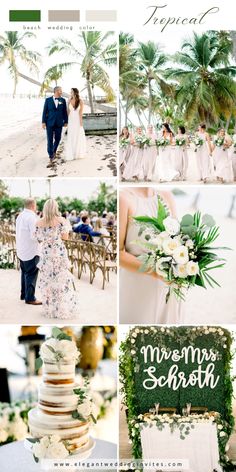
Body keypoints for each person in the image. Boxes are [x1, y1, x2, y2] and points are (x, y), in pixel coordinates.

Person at [119, 187, 184, 324]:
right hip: (138, 287)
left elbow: (179, 239)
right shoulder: (124, 198)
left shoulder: (167, 196)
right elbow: (118, 254)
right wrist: (156, 271)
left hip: (170, 287)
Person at [34, 199, 78, 319]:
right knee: (60, 280)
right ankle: (60, 307)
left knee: (47, 280)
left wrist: (48, 238)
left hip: (47, 253)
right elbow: (65, 237)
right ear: (56, 208)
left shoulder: (39, 222)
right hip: (58, 252)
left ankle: (50, 308)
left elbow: (38, 238)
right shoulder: (61, 221)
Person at [16, 198, 42, 305]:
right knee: (31, 273)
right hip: (31, 250)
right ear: (33, 205)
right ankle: (30, 298)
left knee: (24, 273)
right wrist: (42, 238)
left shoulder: (20, 216)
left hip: (21, 249)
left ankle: (24, 294)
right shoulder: (32, 217)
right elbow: (34, 236)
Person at [42, 86, 68, 168]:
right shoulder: (48, 100)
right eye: (60, 90)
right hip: (49, 123)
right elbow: (44, 111)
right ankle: (51, 155)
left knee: (58, 138)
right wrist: (43, 122)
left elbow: (65, 112)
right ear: (56, 91)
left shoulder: (63, 100)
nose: (61, 92)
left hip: (59, 123)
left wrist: (66, 121)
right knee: (49, 139)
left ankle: (54, 150)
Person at [66, 88, 86, 160]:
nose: (70, 93)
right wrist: (66, 122)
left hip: (77, 120)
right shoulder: (69, 100)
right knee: (71, 135)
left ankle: (77, 153)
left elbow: (81, 113)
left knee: (77, 135)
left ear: (75, 92)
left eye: (71, 91)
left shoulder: (80, 101)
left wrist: (81, 123)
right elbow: (68, 112)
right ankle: (72, 153)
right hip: (71, 120)